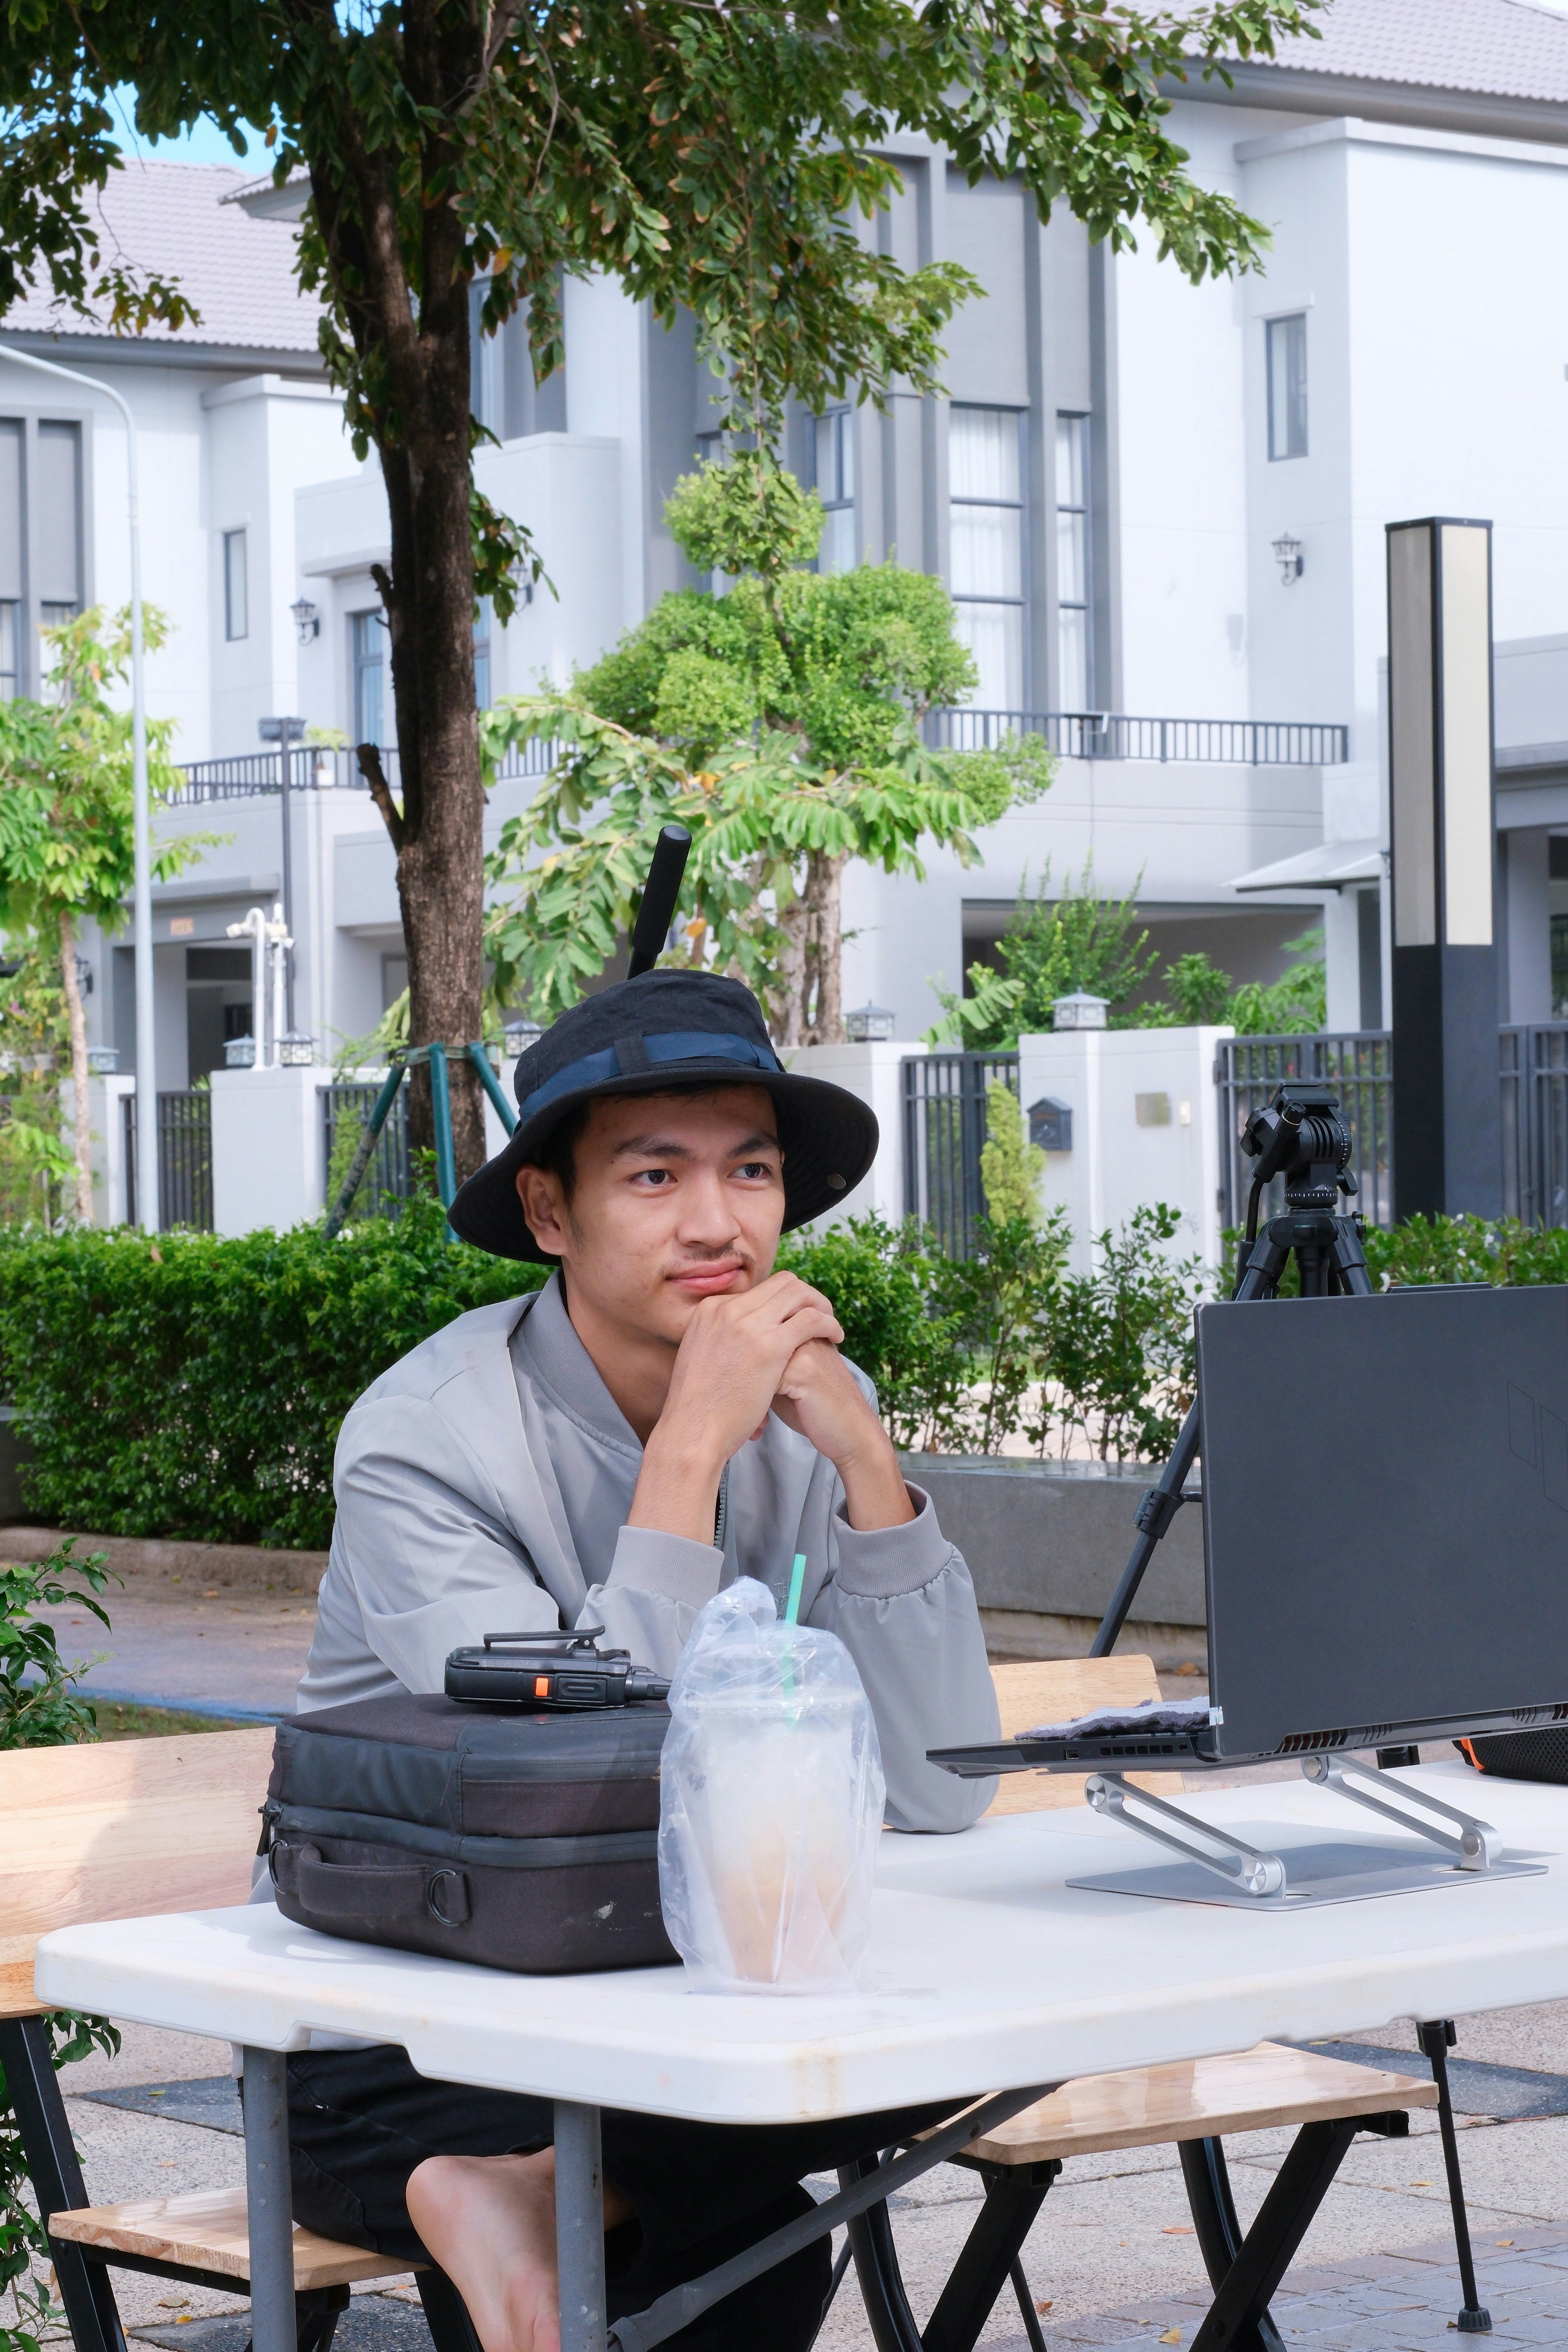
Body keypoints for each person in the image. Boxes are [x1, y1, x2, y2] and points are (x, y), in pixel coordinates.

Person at [285, 968, 1001, 2352]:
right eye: (656, 1176)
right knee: (719, 2228)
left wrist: (866, 1467)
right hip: (412, 2020)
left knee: (954, 2066)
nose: (717, 1224)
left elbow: (934, 1787)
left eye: (750, 1171)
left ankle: (543, 2191)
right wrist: (684, 1456)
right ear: (550, 1211)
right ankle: (525, 2184)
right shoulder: (420, 1442)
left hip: (683, 2001)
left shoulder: (807, 1416)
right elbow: (560, 1779)